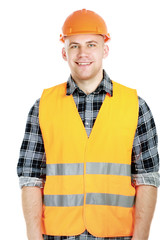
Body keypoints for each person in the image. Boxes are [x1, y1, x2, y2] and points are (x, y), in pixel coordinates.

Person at [17, 9, 159, 240]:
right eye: (74, 45)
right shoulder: (42, 106)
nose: (82, 53)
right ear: (64, 52)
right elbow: (30, 178)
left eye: (91, 44)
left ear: (105, 49)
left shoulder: (136, 106)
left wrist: (141, 237)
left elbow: (148, 177)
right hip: (57, 235)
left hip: (117, 235)